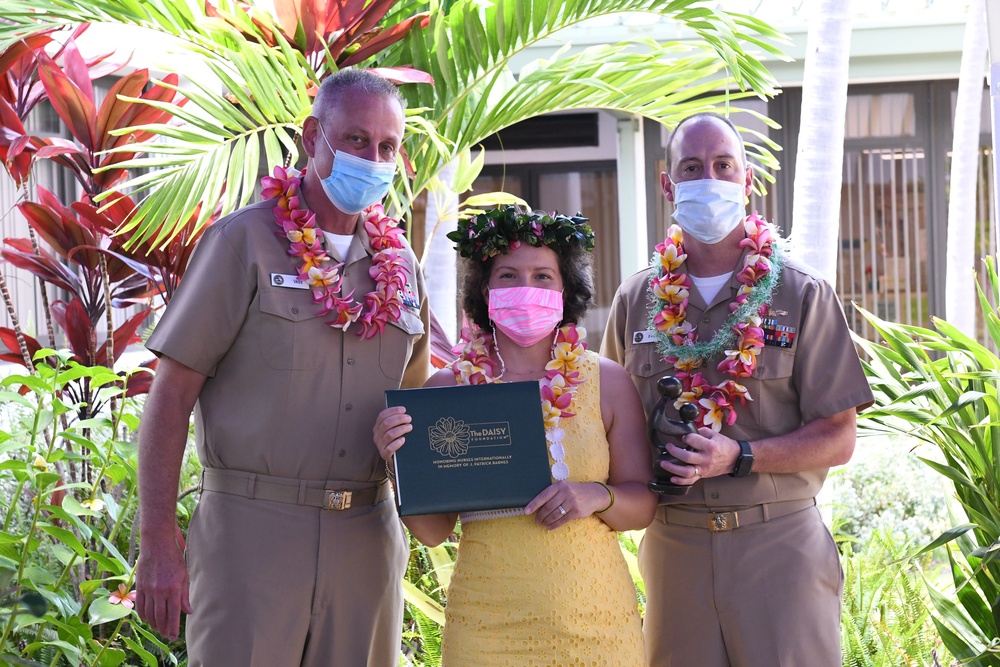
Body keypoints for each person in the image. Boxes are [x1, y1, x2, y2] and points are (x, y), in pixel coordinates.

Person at [135, 68, 430, 667]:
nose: (372, 159)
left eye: (387, 147)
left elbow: (420, 407)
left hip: (366, 540)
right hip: (251, 537)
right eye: (354, 140)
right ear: (312, 136)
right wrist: (157, 543)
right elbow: (170, 396)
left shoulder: (403, 271)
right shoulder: (241, 243)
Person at [600, 112, 875, 667]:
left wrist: (740, 456)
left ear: (747, 182)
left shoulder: (802, 295)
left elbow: (839, 438)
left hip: (779, 547)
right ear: (667, 184)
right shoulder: (636, 301)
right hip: (675, 549)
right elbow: (602, 423)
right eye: (692, 167)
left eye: (724, 166)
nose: (709, 179)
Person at [374, 205, 657, 666]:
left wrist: (594, 496)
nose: (526, 288)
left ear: (566, 290)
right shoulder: (447, 390)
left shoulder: (607, 381)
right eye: (508, 275)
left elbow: (642, 503)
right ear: (485, 291)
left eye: (543, 276)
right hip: (486, 629)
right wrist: (394, 460)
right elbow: (431, 532)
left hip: (597, 623)